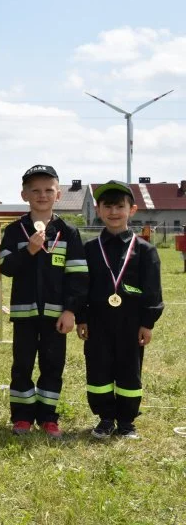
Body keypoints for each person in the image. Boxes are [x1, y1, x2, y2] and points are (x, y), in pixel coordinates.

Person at [0, 165, 88, 438]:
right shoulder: (15, 231)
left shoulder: (68, 232)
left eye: (48, 190)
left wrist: (71, 310)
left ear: (58, 194)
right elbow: (5, 266)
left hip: (56, 316)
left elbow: (78, 276)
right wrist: (30, 250)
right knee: (22, 365)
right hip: (24, 315)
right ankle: (22, 417)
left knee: (52, 366)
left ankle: (49, 417)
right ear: (24, 194)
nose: (41, 195)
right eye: (34, 190)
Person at [77, 180, 164, 439]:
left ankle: (127, 422)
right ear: (98, 209)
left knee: (129, 369)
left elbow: (153, 291)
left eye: (120, 206)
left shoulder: (145, 250)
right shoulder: (90, 249)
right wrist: (82, 318)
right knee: (98, 368)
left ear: (132, 210)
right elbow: (81, 286)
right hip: (98, 321)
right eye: (108, 207)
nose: (114, 212)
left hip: (131, 322)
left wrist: (147, 322)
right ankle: (105, 418)